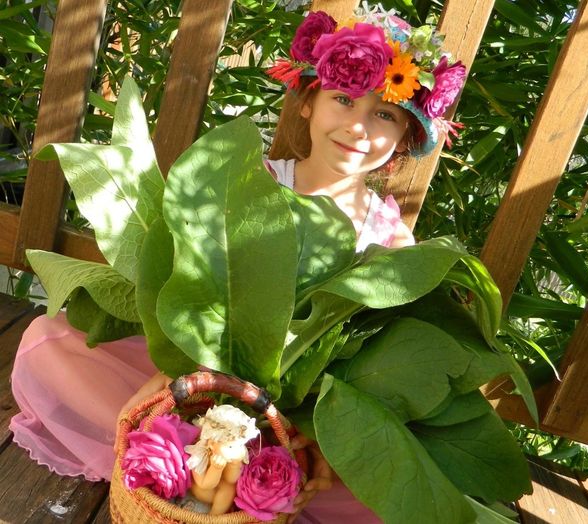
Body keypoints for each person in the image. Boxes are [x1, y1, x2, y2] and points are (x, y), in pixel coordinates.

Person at [9, 4, 466, 523]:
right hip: (194, 374)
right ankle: (182, 458)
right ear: (307, 103)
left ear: (406, 139)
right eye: (343, 100)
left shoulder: (391, 239)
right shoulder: (249, 180)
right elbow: (190, 278)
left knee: (387, 479)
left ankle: (247, 474)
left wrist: (313, 436)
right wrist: (167, 374)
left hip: (292, 415)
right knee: (49, 344)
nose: (357, 127)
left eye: (383, 114)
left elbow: (366, 355)